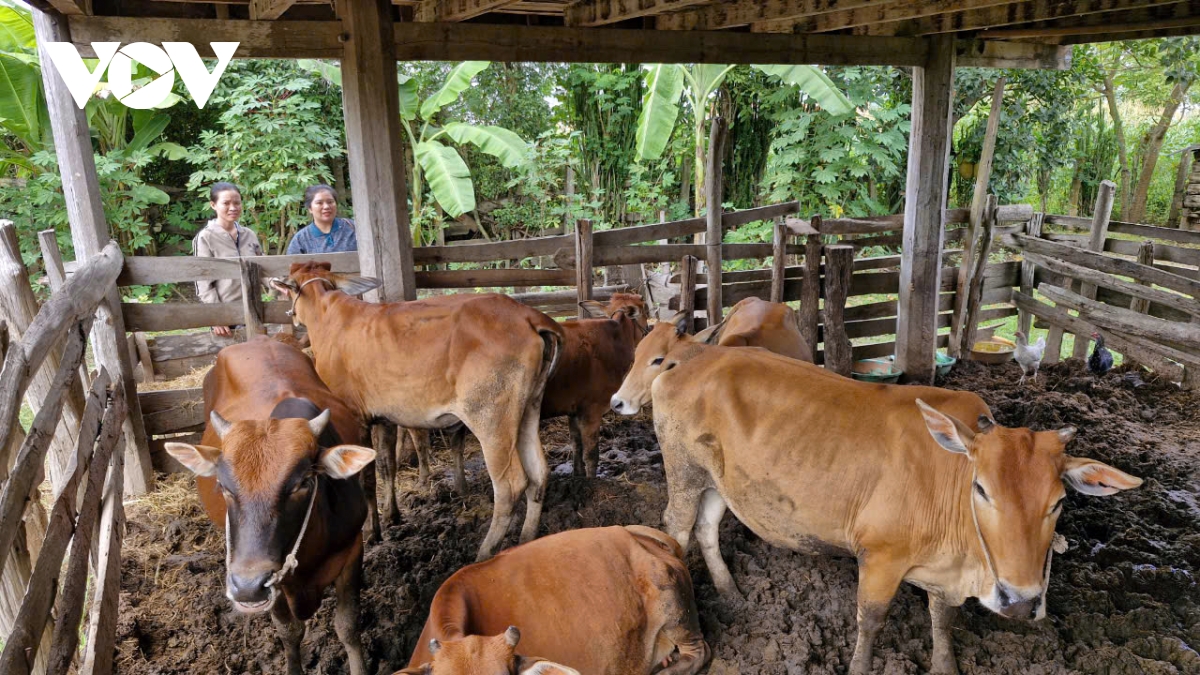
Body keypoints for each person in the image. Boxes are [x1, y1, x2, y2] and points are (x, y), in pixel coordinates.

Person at [192, 182, 262, 337]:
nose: (233, 207)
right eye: (226, 203)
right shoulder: (205, 237)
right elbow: (202, 282)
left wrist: (279, 284)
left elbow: (262, 266)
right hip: (225, 316)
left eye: (237, 203)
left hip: (254, 309)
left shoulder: (249, 234)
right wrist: (217, 315)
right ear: (213, 205)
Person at [286, 184, 357, 255]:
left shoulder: (353, 228)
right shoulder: (301, 239)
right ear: (310, 208)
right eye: (319, 203)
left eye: (330, 202)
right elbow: (292, 264)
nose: (326, 207)